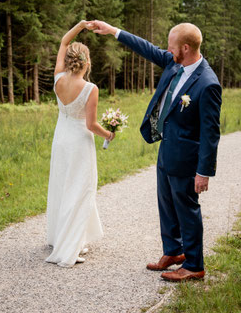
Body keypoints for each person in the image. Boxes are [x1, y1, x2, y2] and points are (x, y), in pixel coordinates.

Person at [88, 20, 222, 281]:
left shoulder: (208, 84)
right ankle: (174, 251)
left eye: (171, 46)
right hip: (166, 148)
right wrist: (114, 31)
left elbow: (211, 133)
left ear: (185, 47)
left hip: (186, 158)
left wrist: (203, 172)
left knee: (187, 208)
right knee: (166, 203)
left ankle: (194, 265)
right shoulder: (175, 62)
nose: (167, 50)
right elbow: (147, 48)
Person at [46, 20, 115, 268]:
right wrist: (108, 133)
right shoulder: (90, 88)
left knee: (62, 186)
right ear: (86, 63)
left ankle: (60, 237)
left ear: (68, 61)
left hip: (60, 139)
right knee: (80, 190)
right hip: (78, 143)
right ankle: (69, 247)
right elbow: (91, 125)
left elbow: (64, 41)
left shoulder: (58, 79)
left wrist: (79, 26)